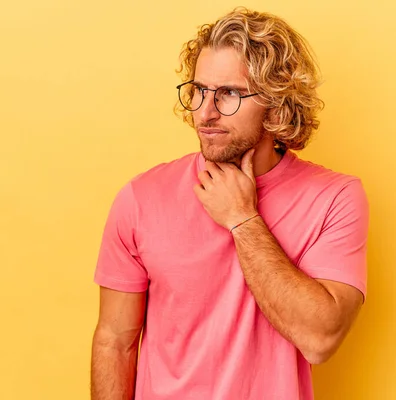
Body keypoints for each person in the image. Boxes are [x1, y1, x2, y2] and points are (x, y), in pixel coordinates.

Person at [90, 7, 369, 400]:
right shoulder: (141, 198)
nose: (205, 112)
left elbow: (321, 338)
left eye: (230, 94)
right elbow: (114, 341)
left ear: (276, 102)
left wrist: (242, 218)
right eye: (200, 91)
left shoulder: (334, 198)